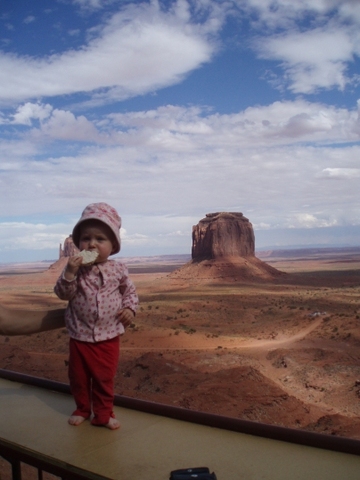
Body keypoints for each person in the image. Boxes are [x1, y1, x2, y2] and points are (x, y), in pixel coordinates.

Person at [54, 202, 138, 430]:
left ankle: (103, 413)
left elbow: (129, 291)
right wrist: (69, 272)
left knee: (104, 378)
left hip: (109, 336)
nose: (91, 243)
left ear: (113, 246)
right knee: (78, 378)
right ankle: (82, 408)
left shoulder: (118, 269)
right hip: (79, 336)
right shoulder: (75, 270)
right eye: (85, 238)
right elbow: (63, 294)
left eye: (100, 239)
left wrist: (130, 309)